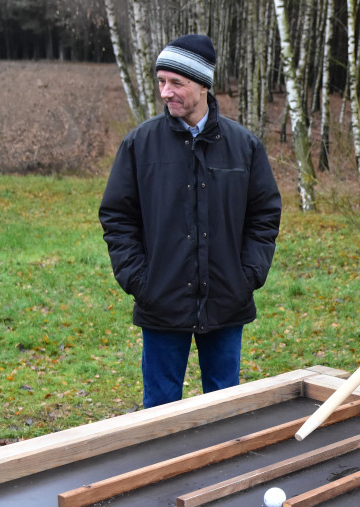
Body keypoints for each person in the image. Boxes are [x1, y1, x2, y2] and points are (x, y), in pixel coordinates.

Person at [100, 34, 282, 408]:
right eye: (161, 82)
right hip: (161, 301)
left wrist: (247, 275)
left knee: (222, 411)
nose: (165, 92)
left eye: (176, 83)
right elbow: (117, 216)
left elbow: (265, 214)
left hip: (226, 300)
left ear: (202, 84)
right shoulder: (139, 145)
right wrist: (139, 280)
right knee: (160, 414)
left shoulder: (244, 146)